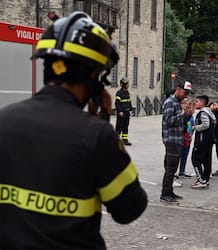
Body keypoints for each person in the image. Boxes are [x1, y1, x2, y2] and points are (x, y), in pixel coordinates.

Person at [0, 12, 147, 249]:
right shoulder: (96, 135)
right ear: (92, 75)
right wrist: (101, 128)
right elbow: (129, 209)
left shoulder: (3, 120)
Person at [161, 81, 193, 203]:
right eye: (185, 92)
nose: (186, 95)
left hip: (177, 139)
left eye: (188, 93)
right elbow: (169, 121)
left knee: (173, 167)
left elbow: (181, 121)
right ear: (178, 89)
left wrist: (188, 115)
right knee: (170, 167)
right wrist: (182, 114)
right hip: (171, 139)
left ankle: (169, 192)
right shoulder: (170, 102)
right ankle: (165, 193)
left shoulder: (177, 102)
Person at [191, 95, 217, 189]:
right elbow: (214, 121)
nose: (195, 103)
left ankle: (201, 179)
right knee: (206, 160)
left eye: (197, 101)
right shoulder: (209, 111)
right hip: (208, 140)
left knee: (195, 159)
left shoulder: (203, 112)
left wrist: (195, 127)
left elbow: (206, 125)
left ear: (202, 103)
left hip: (202, 140)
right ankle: (205, 179)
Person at [178, 98, 195, 178]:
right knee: (178, 155)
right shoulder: (180, 113)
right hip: (181, 137)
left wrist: (191, 134)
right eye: (185, 103)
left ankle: (182, 171)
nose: (187, 105)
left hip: (188, 137)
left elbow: (192, 125)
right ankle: (174, 173)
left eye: (188, 103)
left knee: (185, 155)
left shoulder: (190, 115)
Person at [115, 77, 134, 145]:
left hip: (127, 113)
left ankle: (125, 140)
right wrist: (119, 111)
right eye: (127, 84)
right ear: (123, 84)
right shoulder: (119, 93)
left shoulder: (127, 92)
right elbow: (117, 103)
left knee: (125, 126)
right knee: (119, 127)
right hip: (121, 113)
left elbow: (129, 102)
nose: (128, 85)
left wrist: (131, 110)